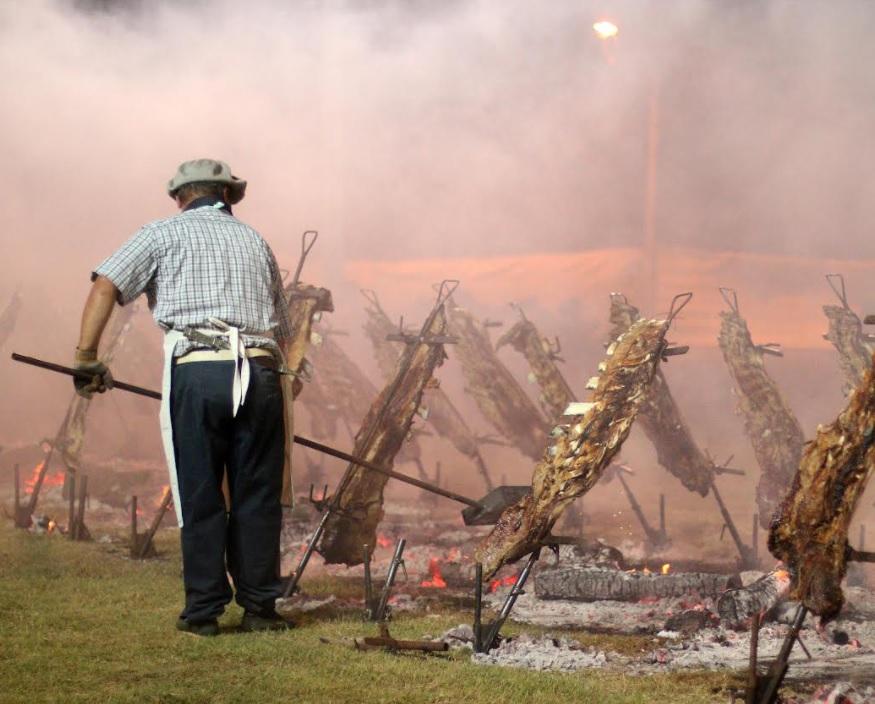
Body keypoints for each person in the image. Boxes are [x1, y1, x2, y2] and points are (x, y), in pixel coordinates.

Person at [74, 158, 294, 636]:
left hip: (199, 371)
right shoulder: (256, 240)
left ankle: (204, 612)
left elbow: (106, 284)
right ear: (229, 198)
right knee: (257, 495)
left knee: (200, 491)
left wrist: (87, 356)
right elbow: (284, 325)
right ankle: (260, 609)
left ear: (180, 197)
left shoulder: (159, 234)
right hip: (260, 371)